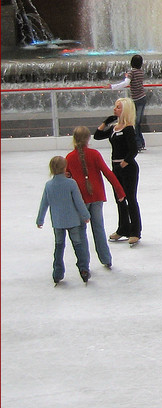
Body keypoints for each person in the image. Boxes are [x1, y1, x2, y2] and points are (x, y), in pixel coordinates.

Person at [66, 126, 125, 270]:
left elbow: (66, 177)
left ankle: (84, 264)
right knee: (98, 228)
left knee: (81, 230)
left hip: (80, 200)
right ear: (88, 139)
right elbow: (108, 173)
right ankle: (106, 258)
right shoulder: (95, 154)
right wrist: (120, 191)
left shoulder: (69, 158)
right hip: (97, 196)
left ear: (74, 139)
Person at [36, 156, 92, 285]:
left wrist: (40, 219)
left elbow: (44, 203)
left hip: (58, 222)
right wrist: (85, 215)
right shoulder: (71, 183)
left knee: (59, 246)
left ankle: (57, 272)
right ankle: (83, 269)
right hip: (73, 221)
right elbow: (78, 201)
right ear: (65, 168)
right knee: (78, 245)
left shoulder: (49, 185)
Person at [94, 98, 141, 247]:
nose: (115, 109)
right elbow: (97, 135)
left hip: (128, 168)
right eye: (115, 107)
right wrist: (106, 122)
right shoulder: (115, 128)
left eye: (118, 107)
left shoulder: (128, 128)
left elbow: (133, 150)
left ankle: (135, 231)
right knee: (119, 198)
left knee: (130, 199)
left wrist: (124, 163)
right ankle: (123, 228)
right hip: (116, 168)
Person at [110, 54, 147, 151]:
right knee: (137, 122)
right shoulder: (140, 72)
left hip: (136, 99)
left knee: (135, 122)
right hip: (142, 98)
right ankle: (140, 143)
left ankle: (138, 143)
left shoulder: (132, 72)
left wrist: (112, 86)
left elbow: (126, 83)